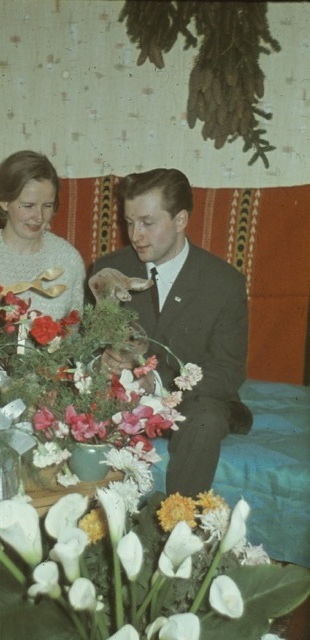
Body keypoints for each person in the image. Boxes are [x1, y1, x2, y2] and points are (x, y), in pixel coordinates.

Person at [90, 168, 252, 498]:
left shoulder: (224, 283)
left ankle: (179, 521)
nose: (135, 235)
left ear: (180, 220)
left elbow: (227, 372)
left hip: (192, 402)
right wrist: (102, 362)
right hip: (121, 397)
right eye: (129, 222)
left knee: (206, 420)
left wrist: (156, 383)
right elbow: (88, 346)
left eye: (147, 223)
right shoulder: (109, 270)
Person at [0, 150, 85, 333]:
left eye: (47, 206)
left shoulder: (69, 259)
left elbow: (75, 336)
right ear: (4, 202)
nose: (39, 217)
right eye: (28, 206)